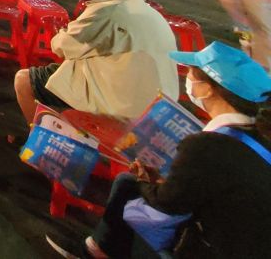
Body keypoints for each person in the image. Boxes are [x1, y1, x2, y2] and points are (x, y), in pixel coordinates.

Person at [47, 40, 271, 259]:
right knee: (127, 183)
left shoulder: (206, 146)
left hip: (212, 248)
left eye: (192, 73)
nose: (188, 78)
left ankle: (98, 251)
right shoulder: (259, 138)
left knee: (131, 194)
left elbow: (168, 203)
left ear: (208, 89)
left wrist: (148, 183)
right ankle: (98, 251)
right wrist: (159, 182)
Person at [14, 0, 178, 122]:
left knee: (24, 80)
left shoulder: (108, 12)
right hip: (163, 106)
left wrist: (61, 33)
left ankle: (42, 134)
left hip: (122, 106)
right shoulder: (156, 16)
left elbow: (62, 47)